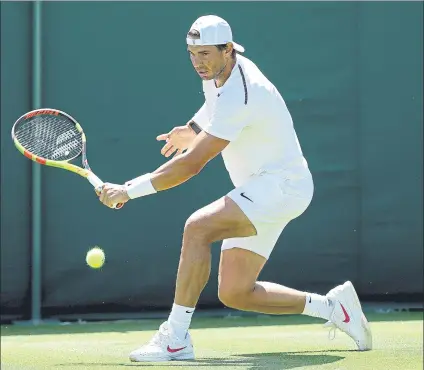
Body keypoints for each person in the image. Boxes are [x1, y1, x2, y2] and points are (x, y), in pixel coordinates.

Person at [98, 15, 372, 362]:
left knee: (198, 228)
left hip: (281, 186)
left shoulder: (245, 90)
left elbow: (191, 165)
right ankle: (334, 308)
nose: (198, 62)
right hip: (264, 190)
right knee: (236, 292)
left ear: (228, 49)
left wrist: (128, 190)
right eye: (192, 53)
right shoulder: (218, 73)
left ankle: (176, 338)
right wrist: (193, 127)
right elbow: (215, 105)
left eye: (206, 54)